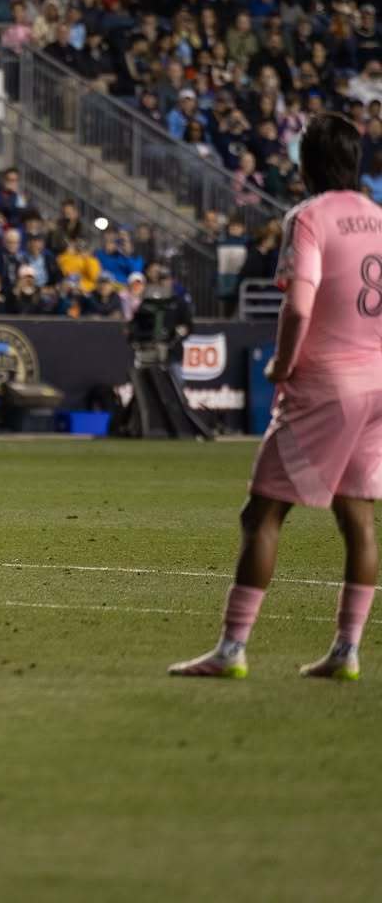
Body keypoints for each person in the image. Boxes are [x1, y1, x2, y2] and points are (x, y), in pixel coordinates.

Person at [171, 114, 382, 682]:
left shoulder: (309, 217)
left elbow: (299, 303)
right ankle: (347, 652)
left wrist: (283, 366)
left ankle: (232, 649)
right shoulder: (379, 217)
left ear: (306, 163)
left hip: (326, 382)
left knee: (262, 513)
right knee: (358, 517)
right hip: (377, 382)